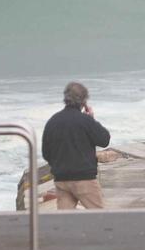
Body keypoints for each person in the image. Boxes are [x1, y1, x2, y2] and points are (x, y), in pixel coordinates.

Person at [41, 82, 111, 210]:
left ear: (66, 99)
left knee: (64, 220)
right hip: (84, 179)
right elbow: (104, 139)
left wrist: (59, 164)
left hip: (61, 179)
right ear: (83, 101)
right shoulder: (86, 121)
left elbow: (46, 153)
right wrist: (92, 119)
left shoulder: (53, 121)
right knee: (100, 216)